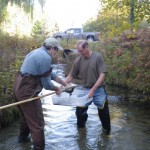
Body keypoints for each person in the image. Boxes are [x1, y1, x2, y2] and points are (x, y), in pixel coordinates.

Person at [13, 38, 67, 150]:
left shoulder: (37, 52)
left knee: (27, 115)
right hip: (27, 91)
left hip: (18, 86)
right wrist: (57, 89)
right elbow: (47, 84)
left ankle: (22, 140)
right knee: (37, 122)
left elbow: (48, 73)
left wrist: (63, 82)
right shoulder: (45, 57)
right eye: (56, 50)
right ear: (51, 48)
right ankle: (39, 147)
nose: (56, 52)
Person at [64, 40, 111, 135]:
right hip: (84, 89)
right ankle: (81, 132)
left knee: (104, 114)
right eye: (78, 51)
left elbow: (102, 75)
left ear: (87, 47)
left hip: (98, 89)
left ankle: (107, 133)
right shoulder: (78, 60)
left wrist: (93, 90)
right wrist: (61, 86)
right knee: (79, 113)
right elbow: (71, 76)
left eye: (81, 50)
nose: (79, 53)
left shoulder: (98, 57)